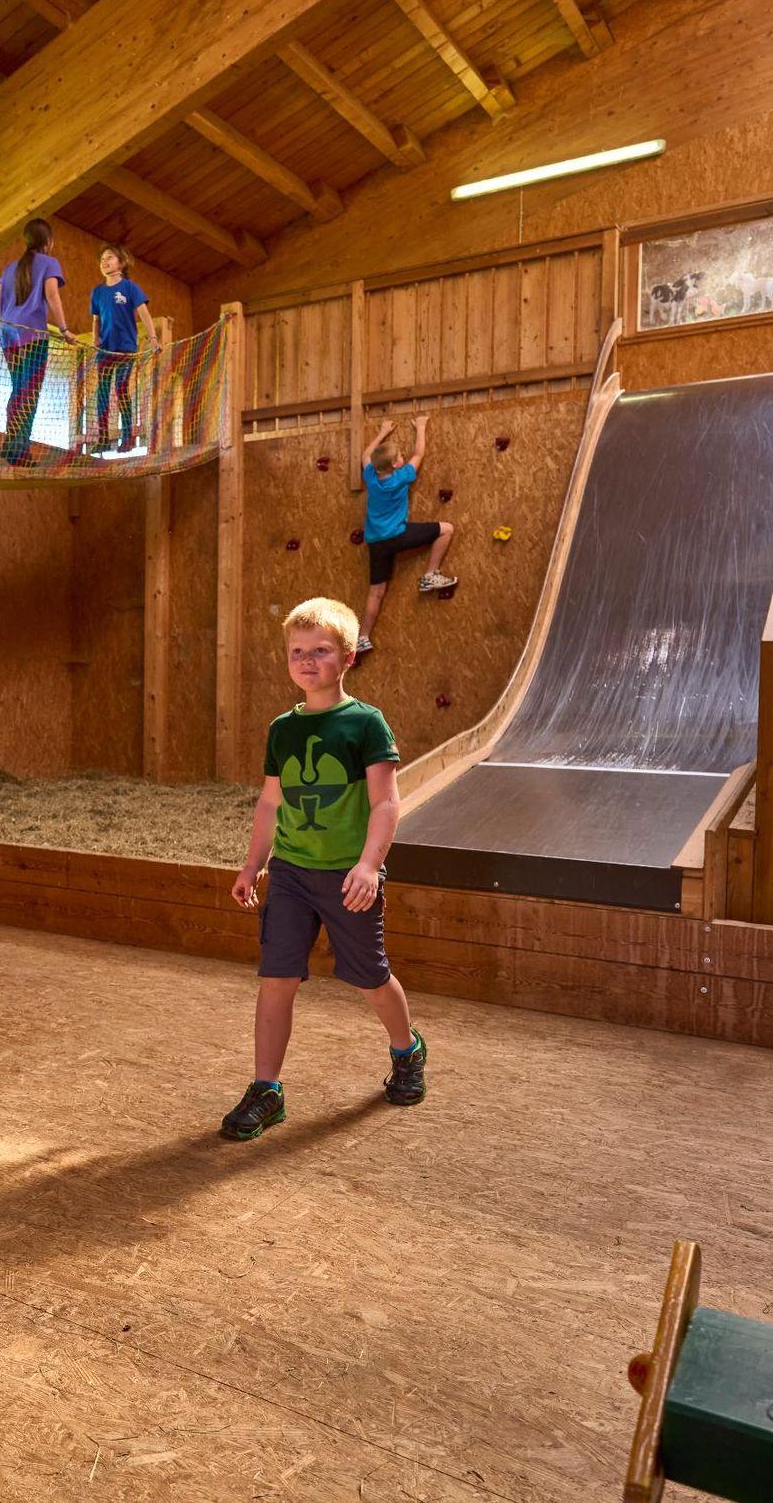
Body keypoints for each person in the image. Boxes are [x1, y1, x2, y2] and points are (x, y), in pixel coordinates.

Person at [221, 597, 428, 1140]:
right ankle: (267, 1089)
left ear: (349, 657)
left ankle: (406, 1050)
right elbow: (271, 802)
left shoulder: (365, 724)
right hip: (290, 872)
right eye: (297, 651)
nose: (307, 661)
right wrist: (253, 864)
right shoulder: (282, 729)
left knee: (369, 977)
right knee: (277, 978)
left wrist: (369, 866)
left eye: (321, 651)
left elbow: (386, 802)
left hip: (347, 876)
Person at [358, 415, 456, 653]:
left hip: (376, 543)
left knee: (376, 592)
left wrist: (382, 433)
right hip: (398, 536)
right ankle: (430, 575)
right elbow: (419, 454)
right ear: (395, 465)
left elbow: (365, 456)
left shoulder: (370, 476)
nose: (404, 457)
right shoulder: (401, 478)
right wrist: (420, 427)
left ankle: (363, 637)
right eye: (400, 456)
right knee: (446, 529)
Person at [0, 217, 68, 465]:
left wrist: (7, 322)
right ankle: (20, 451)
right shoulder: (49, 263)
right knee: (29, 392)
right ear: (49, 242)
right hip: (33, 334)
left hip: (8, 335)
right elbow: (52, 295)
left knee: (18, 388)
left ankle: (10, 445)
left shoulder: (10, 267)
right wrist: (64, 329)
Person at [88, 243, 155, 454]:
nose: (105, 262)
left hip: (126, 348)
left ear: (121, 262)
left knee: (121, 388)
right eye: (102, 259)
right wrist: (95, 338)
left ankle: (127, 438)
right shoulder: (97, 292)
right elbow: (96, 319)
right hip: (105, 350)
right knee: (102, 392)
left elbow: (144, 313)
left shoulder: (129, 288)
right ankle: (102, 438)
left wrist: (153, 337)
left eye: (109, 257)